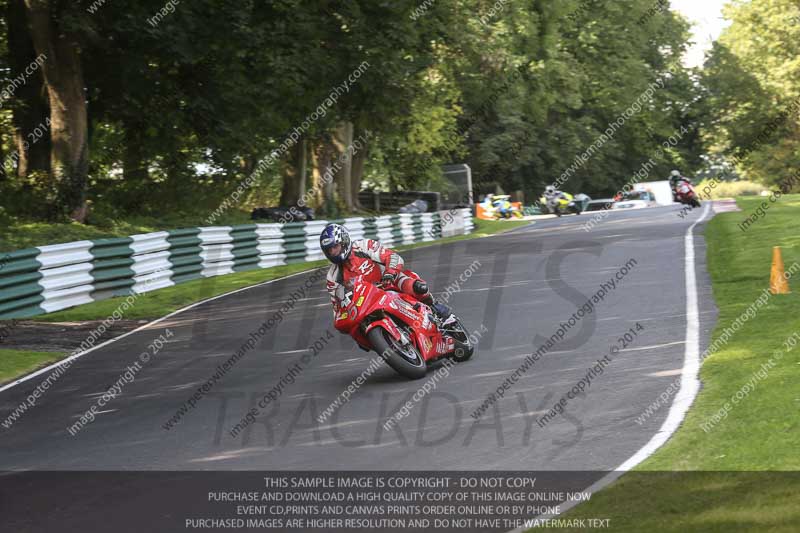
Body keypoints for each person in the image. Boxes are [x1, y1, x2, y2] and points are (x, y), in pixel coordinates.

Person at [320, 224, 453, 322]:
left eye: (335, 247)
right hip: (367, 304)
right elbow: (337, 308)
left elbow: (393, 257)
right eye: (329, 250)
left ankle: (435, 307)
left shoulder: (363, 246)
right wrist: (345, 319)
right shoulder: (332, 277)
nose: (333, 252)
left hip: (389, 281)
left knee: (417, 287)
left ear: (343, 242)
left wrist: (389, 273)